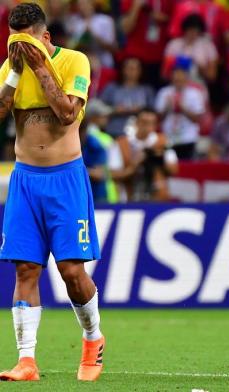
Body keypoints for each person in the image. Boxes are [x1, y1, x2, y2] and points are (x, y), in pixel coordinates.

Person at [0, 3, 104, 382]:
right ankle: (26, 361)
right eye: (14, 43)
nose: (21, 50)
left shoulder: (74, 61)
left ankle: (93, 341)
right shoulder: (11, 68)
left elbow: (66, 114)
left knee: (71, 271)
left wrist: (40, 65)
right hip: (25, 180)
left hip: (65, 180)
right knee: (25, 268)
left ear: (46, 37)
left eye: (27, 42)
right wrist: (14, 71)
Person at [155, 65, 205, 160]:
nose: (178, 81)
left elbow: (197, 119)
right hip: (168, 138)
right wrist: (167, 108)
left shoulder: (195, 93)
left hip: (188, 138)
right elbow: (158, 118)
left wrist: (183, 108)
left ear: (186, 78)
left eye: (181, 78)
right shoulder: (164, 93)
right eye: (176, 79)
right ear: (171, 78)